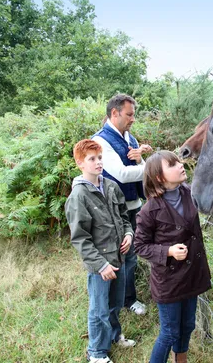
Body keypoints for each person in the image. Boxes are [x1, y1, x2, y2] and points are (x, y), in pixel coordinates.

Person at [134, 151, 212, 363]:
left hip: (192, 273)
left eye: (179, 161)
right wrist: (168, 251)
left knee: (188, 325)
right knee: (169, 333)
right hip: (169, 281)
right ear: (160, 177)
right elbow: (139, 246)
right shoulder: (149, 210)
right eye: (173, 164)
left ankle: (181, 360)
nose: (180, 165)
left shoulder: (189, 192)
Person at [65, 139, 137, 363]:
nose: (98, 163)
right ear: (80, 163)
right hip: (100, 265)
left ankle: (115, 336)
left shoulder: (111, 186)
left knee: (115, 303)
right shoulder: (79, 196)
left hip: (119, 257)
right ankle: (96, 352)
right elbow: (80, 239)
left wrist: (128, 234)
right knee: (99, 310)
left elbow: (124, 217)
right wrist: (101, 265)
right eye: (92, 159)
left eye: (100, 158)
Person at [92, 94, 152, 316]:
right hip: (114, 209)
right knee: (118, 256)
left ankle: (128, 298)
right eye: (129, 114)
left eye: (133, 114)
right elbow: (122, 174)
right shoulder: (100, 141)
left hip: (134, 204)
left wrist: (142, 161)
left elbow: (140, 169)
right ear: (114, 113)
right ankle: (114, 303)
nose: (133, 119)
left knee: (132, 254)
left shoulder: (130, 138)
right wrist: (154, 167)